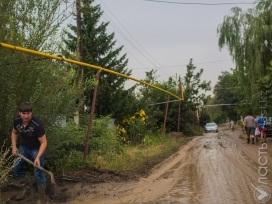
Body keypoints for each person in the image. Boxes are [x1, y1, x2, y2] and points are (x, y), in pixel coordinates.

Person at [11, 102, 47, 203]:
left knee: (38, 172)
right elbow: (14, 132)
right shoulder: (17, 121)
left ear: (31, 113)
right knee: (16, 168)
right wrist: (14, 146)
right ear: (19, 113)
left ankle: (41, 198)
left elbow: (44, 143)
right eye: (23, 113)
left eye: (28, 113)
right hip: (24, 147)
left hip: (37, 149)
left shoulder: (37, 125)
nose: (26, 116)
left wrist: (38, 157)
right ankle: (26, 188)